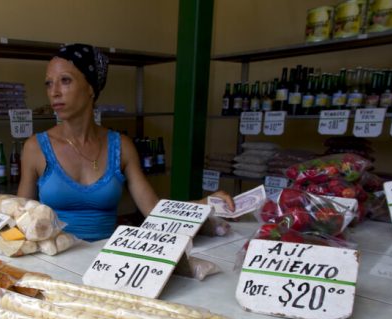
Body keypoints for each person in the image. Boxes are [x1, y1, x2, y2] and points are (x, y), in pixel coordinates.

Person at [17, 43, 234, 242]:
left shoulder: (121, 147)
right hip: (55, 262)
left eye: (65, 80)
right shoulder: (36, 148)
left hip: (105, 263)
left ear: (91, 88)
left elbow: (153, 209)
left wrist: (206, 204)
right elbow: (19, 217)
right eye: (49, 83)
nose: (54, 92)